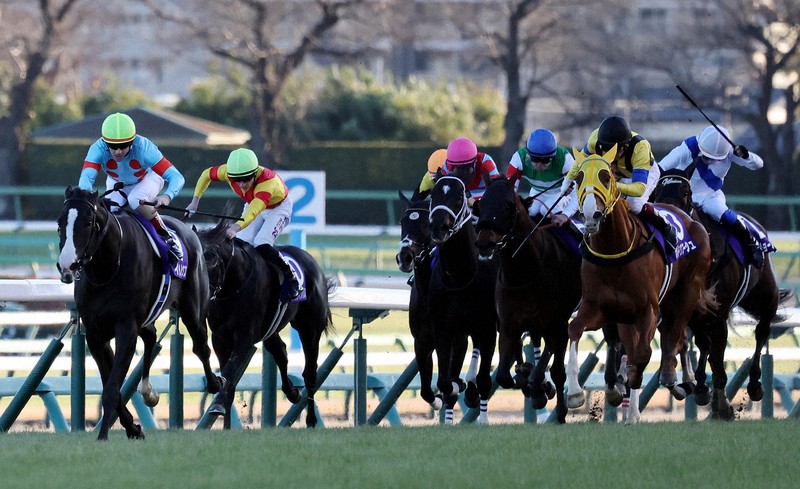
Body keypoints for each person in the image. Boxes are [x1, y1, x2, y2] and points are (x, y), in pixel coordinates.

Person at [185, 148, 302, 301]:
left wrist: (234, 228)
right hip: (253, 204)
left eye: (246, 179)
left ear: (255, 173)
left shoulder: (267, 183)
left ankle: (291, 278)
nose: (241, 184)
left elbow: (253, 211)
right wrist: (195, 201)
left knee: (261, 242)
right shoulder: (227, 172)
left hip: (277, 208)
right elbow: (206, 174)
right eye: (237, 180)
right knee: (241, 244)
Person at [79, 112, 184, 264]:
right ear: (105, 142)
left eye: (123, 146)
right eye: (113, 146)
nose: (118, 151)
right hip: (117, 182)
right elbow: (86, 179)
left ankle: (166, 236)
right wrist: (87, 200)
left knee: (135, 199)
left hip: (148, 178)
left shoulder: (144, 149)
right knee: (107, 213)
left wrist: (166, 196)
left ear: (132, 141)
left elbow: (176, 177)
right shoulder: (97, 149)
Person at [562, 115, 678, 251]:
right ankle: (590, 237)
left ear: (626, 146)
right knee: (598, 200)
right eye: (605, 149)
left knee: (634, 204)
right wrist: (566, 183)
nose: (611, 155)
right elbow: (579, 163)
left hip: (642, 174)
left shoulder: (640, 147)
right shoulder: (594, 139)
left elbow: (639, 188)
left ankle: (665, 225)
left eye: (616, 151)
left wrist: (613, 187)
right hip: (614, 174)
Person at [659, 125, 764, 267]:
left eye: (712, 158)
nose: (707, 159)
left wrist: (747, 156)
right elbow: (661, 166)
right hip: (680, 194)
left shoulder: (730, 151)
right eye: (705, 155)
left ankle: (751, 243)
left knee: (721, 213)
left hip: (710, 196)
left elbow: (758, 165)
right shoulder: (689, 147)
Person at [506, 128, 577, 226]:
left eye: (545, 160)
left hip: (561, 193)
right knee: (530, 212)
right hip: (537, 192)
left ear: (553, 156)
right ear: (528, 154)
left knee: (546, 210)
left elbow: (578, 192)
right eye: (535, 159)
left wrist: (565, 215)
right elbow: (509, 191)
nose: (539, 165)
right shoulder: (518, 158)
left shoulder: (565, 159)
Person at [413, 137, 501, 206]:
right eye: (456, 167)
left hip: (482, 198)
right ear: (449, 163)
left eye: (465, 167)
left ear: (475, 161)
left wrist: (475, 201)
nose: (461, 173)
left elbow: (495, 192)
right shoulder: (446, 167)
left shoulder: (486, 162)